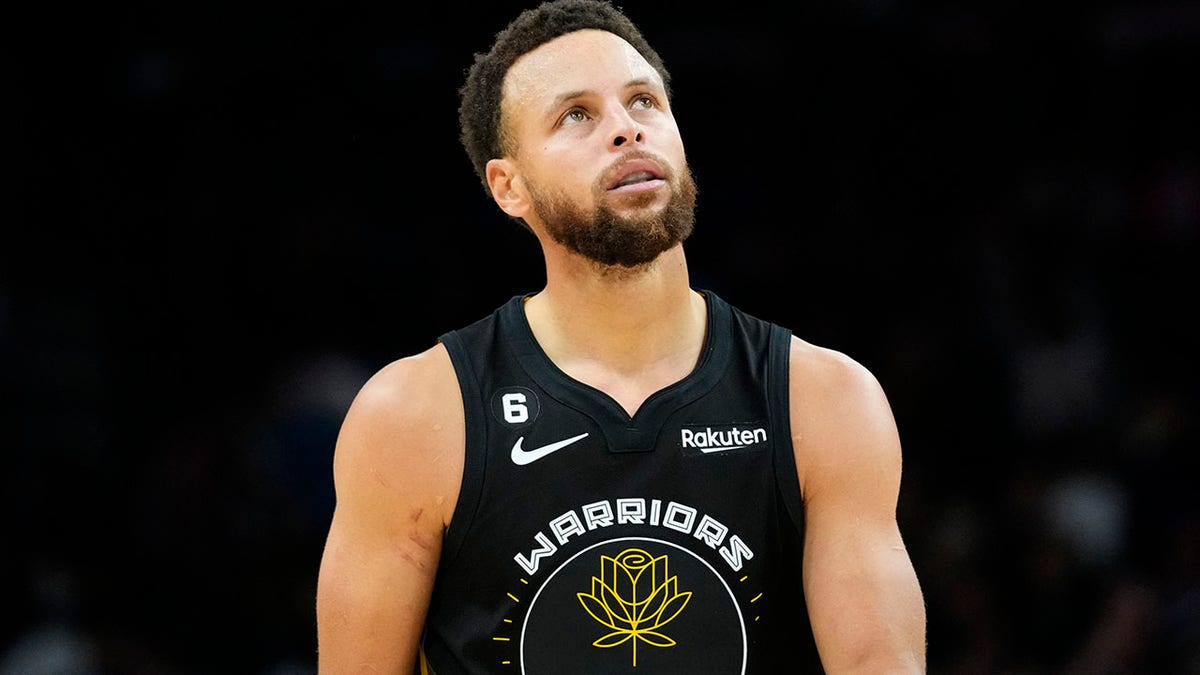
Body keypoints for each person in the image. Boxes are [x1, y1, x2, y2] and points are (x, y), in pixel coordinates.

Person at [315, 1, 927, 672]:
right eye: (576, 115)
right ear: (508, 186)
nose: (626, 130)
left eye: (644, 102)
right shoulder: (413, 414)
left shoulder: (824, 399)